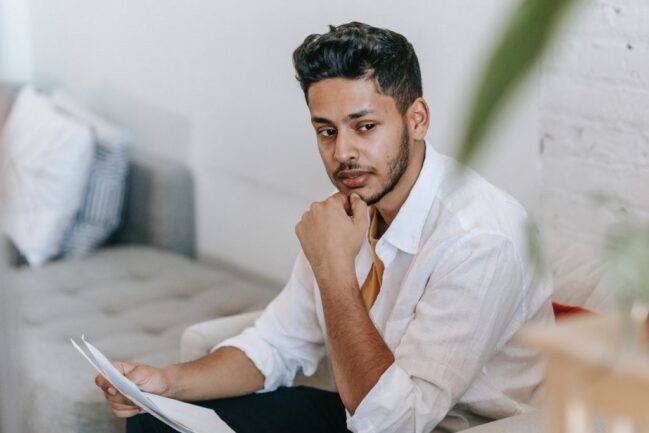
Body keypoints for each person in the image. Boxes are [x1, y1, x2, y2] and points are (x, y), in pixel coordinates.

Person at [97, 21, 553, 433]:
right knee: (156, 424)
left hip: (446, 427)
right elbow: (277, 342)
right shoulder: (352, 209)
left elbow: (395, 423)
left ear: (417, 120)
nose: (342, 154)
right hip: (364, 412)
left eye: (365, 126)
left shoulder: (479, 237)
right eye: (326, 131)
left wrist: (334, 271)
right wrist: (166, 383)